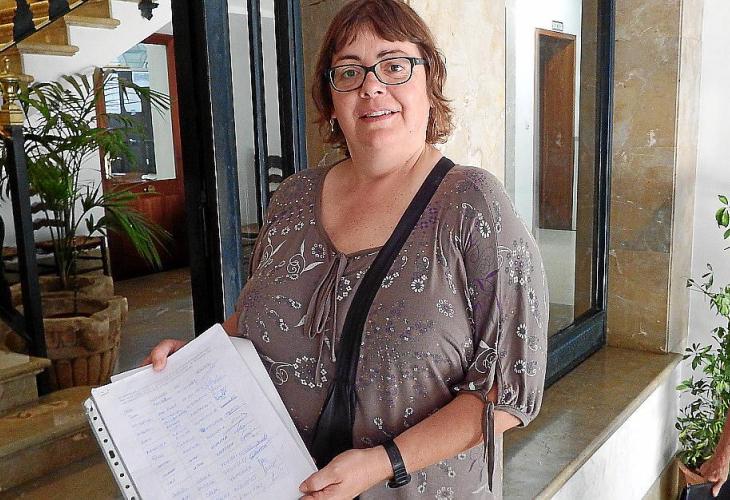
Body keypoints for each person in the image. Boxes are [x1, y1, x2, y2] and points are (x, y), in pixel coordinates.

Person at [144, 0, 548, 497]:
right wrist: (198, 356)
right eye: (349, 72)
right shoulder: (293, 198)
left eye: (394, 65)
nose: (371, 87)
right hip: (281, 484)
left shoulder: (472, 204)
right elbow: (263, 316)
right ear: (330, 98)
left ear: (430, 79)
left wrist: (384, 462)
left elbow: (508, 391)